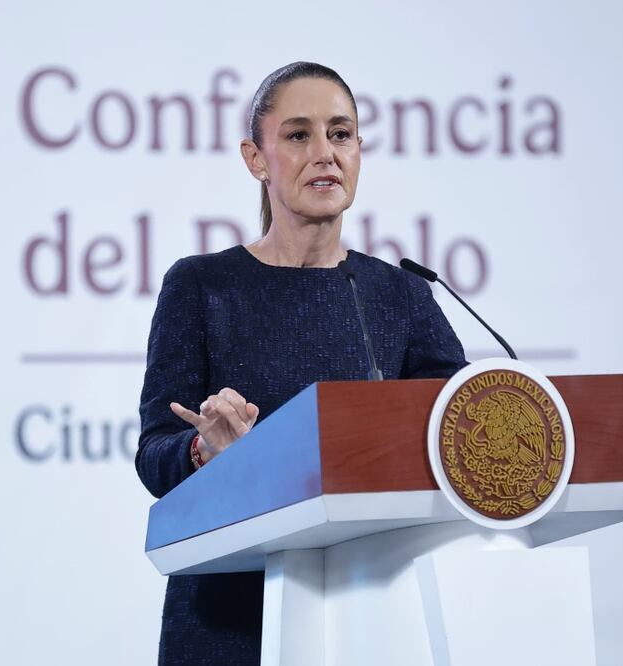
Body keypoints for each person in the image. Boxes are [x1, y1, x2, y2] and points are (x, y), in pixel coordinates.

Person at [135, 61, 467, 665]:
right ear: (255, 158)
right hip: (231, 617)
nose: (325, 154)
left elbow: (460, 431)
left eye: (340, 134)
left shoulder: (401, 296)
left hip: (373, 616)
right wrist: (202, 452)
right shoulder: (202, 286)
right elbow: (155, 452)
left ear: (360, 151)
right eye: (297, 135)